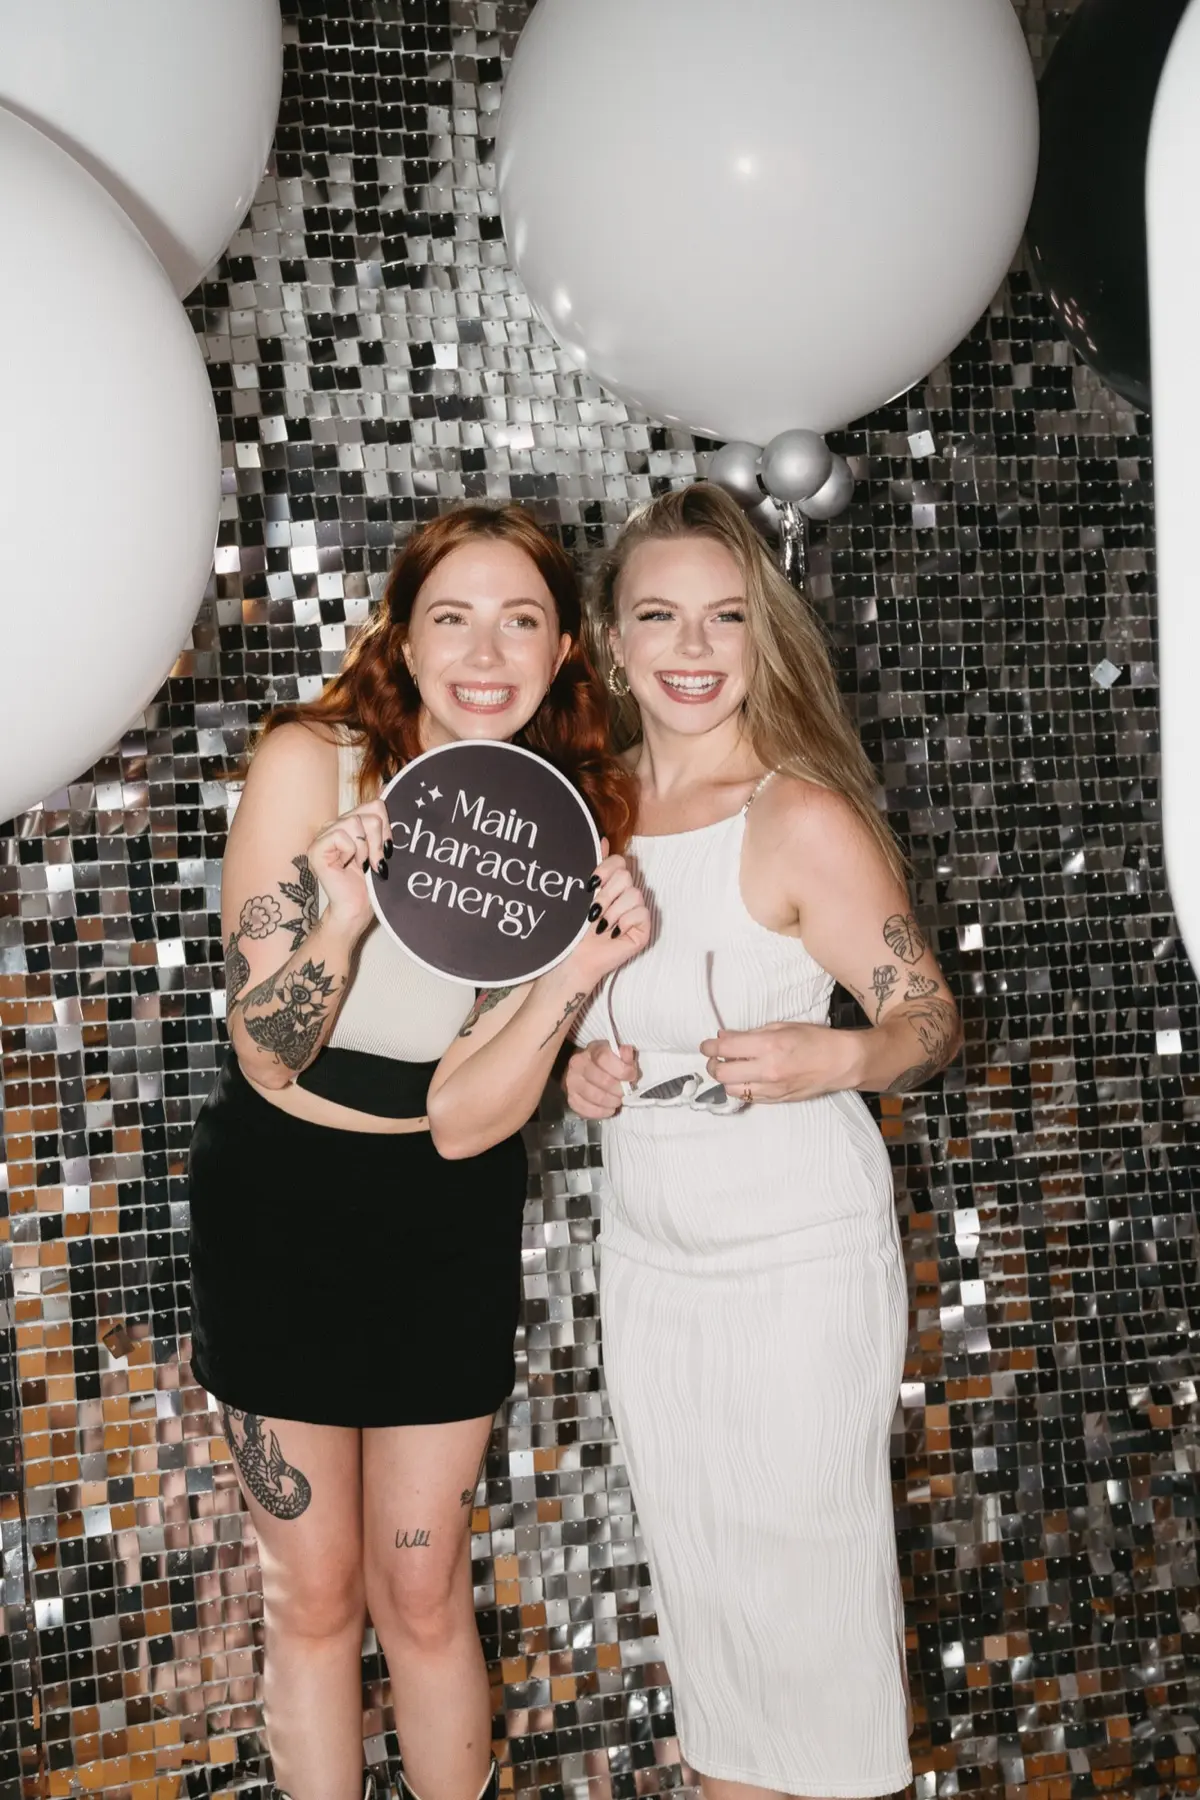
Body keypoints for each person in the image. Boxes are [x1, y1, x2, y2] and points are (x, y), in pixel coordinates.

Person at [187, 504, 649, 1800]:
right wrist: (338, 923)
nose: (485, 650)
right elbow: (270, 1055)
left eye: (521, 620)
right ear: (403, 631)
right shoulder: (314, 760)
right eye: (453, 615)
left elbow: (463, 1120)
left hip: (442, 1211)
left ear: (564, 651)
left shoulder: (563, 830)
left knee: (422, 1585)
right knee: (314, 1591)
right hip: (279, 1204)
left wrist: (578, 975)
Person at [560, 482, 962, 1800]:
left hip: (795, 1254)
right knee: (705, 1587)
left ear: (762, 637)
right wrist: (587, 1067)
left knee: (805, 1588)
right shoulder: (585, 815)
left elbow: (928, 1017)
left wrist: (841, 1053)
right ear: (613, 641)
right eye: (660, 615)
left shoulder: (799, 816)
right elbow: (566, 1012)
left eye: (725, 616)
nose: (691, 647)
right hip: (652, 1256)